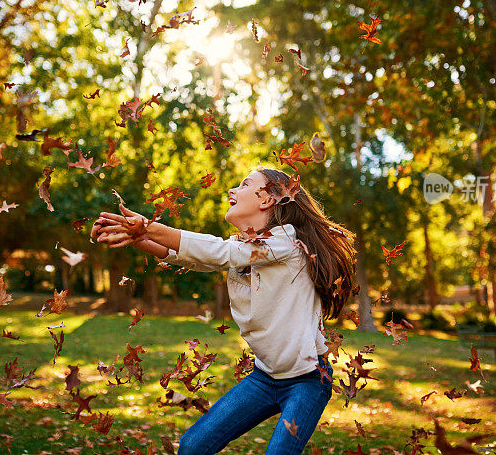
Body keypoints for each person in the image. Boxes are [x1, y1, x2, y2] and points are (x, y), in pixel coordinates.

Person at [91, 166, 357, 454]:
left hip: (308, 381)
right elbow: (199, 258)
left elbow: (218, 253)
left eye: (244, 185)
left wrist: (147, 226)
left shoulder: (287, 240)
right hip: (265, 377)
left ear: (267, 198)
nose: (232, 190)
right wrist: (139, 239)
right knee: (193, 446)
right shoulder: (243, 246)